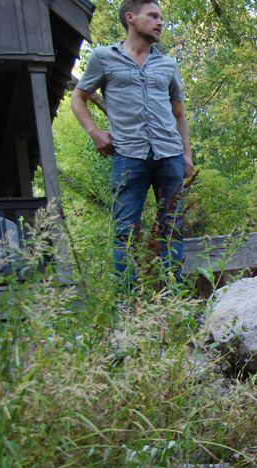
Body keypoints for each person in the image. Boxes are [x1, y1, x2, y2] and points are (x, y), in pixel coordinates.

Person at [71, 0, 193, 285]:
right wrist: (95, 133)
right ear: (130, 17)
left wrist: (187, 154)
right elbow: (78, 98)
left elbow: (179, 113)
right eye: (153, 16)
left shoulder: (167, 64)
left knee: (172, 229)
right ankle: (129, 307)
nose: (160, 22)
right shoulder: (103, 58)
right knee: (126, 232)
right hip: (128, 156)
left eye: (161, 17)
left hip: (170, 156)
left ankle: (171, 301)